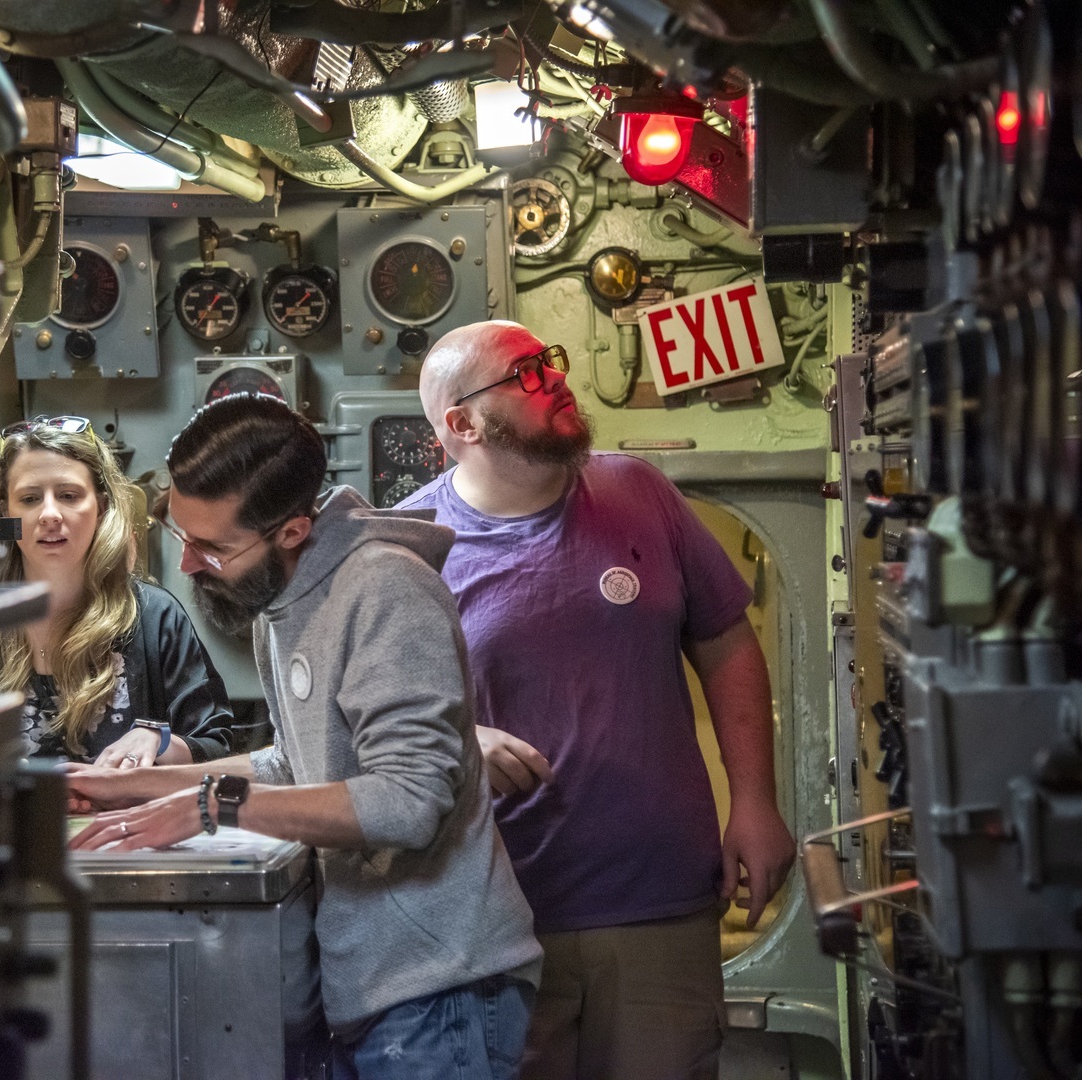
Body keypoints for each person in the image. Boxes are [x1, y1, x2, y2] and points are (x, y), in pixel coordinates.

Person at [65, 393, 543, 1080]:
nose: (190, 563)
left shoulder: (385, 590)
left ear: (292, 531)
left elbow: (408, 801)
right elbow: (298, 761)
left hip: (442, 987)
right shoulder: (283, 599)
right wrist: (132, 785)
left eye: (213, 548)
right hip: (374, 983)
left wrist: (213, 806)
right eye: (181, 533)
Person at [398, 321, 797, 1080]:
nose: (554, 377)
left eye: (548, 360)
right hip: (495, 915)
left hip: (660, 902)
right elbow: (370, 721)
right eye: (523, 374)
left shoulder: (639, 491)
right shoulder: (411, 547)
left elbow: (726, 641)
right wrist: (457, 737)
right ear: (462, 423)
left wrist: (755, 801)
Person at [0, 415, 236, 768]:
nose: (50, 514)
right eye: (30, 498)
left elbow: (214, 745)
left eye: (68, 496)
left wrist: (158, 741)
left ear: (101, 507)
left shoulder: (154, 616)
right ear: (6, 513)